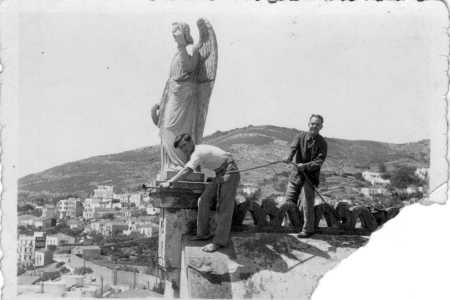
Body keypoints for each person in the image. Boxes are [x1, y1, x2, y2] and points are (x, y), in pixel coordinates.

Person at [160, 133, 240, 252]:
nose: (184, 149)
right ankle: (203, 234)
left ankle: (219, 242)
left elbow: (187, 170)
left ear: (191, 142)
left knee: (225, 208)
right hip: (219, 173)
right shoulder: (195, 153)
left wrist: (170, 182)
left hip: (230, 171)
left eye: (184, 145)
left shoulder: (198, 152)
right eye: (181, 148)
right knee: (203, 200)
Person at [284, 114, 328, 238]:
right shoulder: (299, 136)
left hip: (309, 178)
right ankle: (289, 225)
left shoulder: (322, 143)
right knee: (288, 201)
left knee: (307, 203)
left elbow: (318, 162)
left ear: (321, 127)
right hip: (295, 176)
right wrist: (288, 157)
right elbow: (292, 149)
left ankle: (308, 229)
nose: (314, 126)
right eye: (312, 123)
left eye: (317, 124)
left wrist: (305, 166)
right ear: (308, 124)